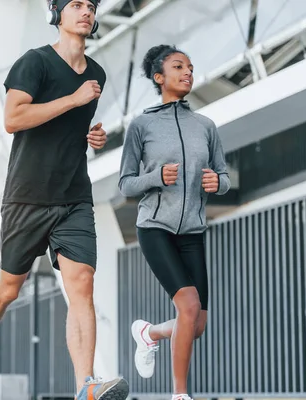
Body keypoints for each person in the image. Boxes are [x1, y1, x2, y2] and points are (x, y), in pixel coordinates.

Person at [0, 1, 130, 400]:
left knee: (82, 284)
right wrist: (73, 100)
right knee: (8, 289)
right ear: (57, 14)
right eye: (76, 4)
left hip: (74, 195)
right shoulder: (34, 62)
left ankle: (86, 384)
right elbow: (14, 119)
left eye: (91, 5)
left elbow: (70, 128)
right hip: (28, 196)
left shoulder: (96, 74)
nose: (86, 11)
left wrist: (92, 136)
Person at [118, 44, 231, 400]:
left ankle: (149, 333)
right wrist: (155, 177)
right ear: (159, 77)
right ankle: (180, 395)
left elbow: (223, 176)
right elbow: (126, 183)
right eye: (178, 66)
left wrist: (218, 183)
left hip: (193, 231)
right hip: (155, 228)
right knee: (188, 307)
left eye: (191, 67)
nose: (188, 72)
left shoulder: (205, 126)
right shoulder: (142, 126)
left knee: (196, 325)